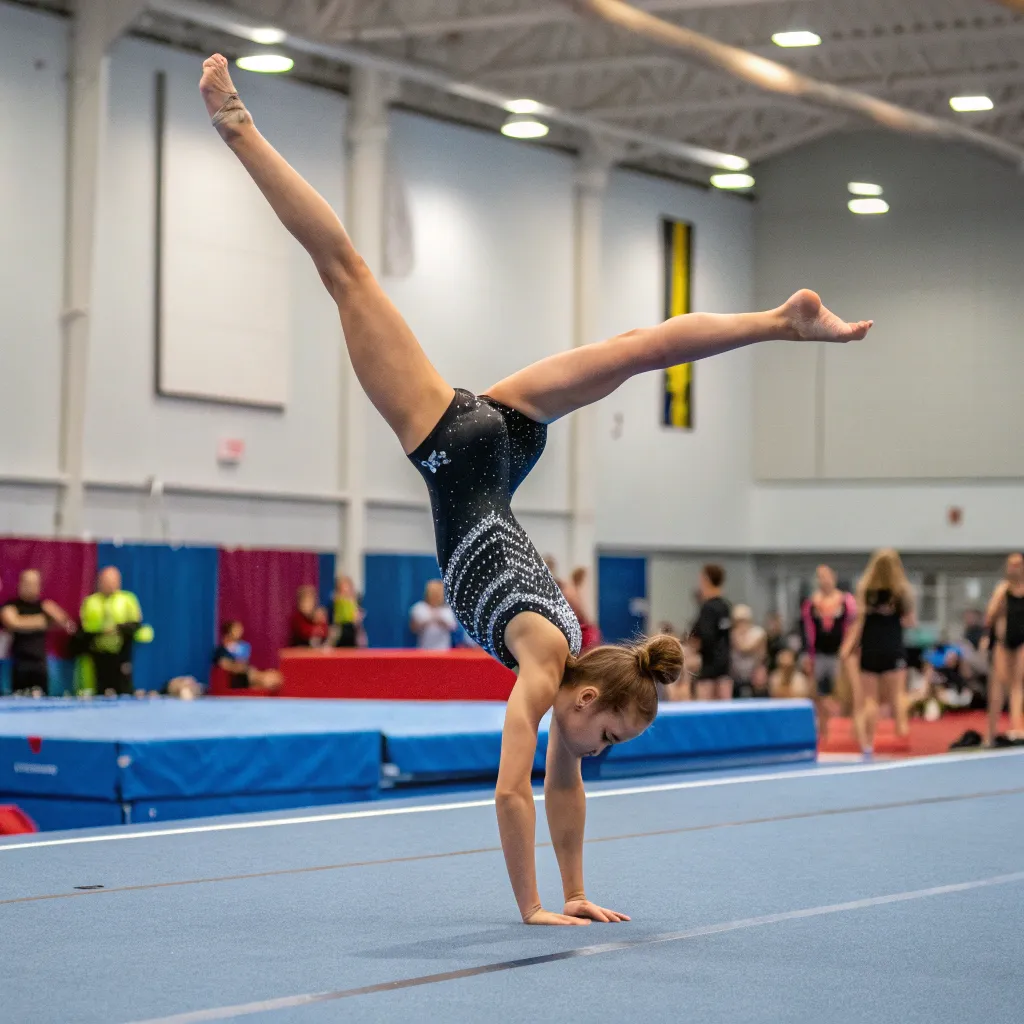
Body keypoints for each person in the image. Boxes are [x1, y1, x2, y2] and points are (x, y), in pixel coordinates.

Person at [198, 53, 870, 925]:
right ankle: (235, 121)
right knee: (347, 272)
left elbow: (559, 785)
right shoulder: (548, 662)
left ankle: (781, 322)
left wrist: (579, 892)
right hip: (459, 452)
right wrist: (533, 908)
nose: (601, 753)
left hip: (504, 453)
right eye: (610, 738)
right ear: (587, 701)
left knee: (636, 348)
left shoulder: (570, 661)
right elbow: (512, 789)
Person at [840, 549, 916, 758]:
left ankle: (867, 744)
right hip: (893, 646)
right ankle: (902, 736)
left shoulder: (866, 590)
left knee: (870, 700)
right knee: (898, 695)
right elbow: (910, 621)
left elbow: (860, 620)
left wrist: (851, 645)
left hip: (871, 646)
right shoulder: (900, 593)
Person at [801, 565, 858, 742]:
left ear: (833, 577)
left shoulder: (845, 601)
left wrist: (849, 650)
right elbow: (808, 631)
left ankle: (847, 730)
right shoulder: (811, 603)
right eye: (820, 577)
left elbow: (853, 626)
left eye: (826, 576)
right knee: (818, 693)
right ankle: (823, 730)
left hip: (839, 655)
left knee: (843, 693)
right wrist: (809, 656)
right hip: (819, 654)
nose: (824, 580)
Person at [0, 570, 75, 695]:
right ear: (20, 584)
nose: (30, 587)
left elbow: (67, 624)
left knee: (41, 697)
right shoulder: (11, 605)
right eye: (27, 583)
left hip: (40, 664)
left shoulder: (45, 606)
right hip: (18, 663)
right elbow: (13, 623)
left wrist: (50, 611)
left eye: (34, 584)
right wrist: (43, 622)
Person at [78, 567, 149, 696]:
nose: (109, 584)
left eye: (113, 581)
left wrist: (117, 628)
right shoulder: (90, 601)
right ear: (99, 582)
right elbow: (85, 626)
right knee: (101, 688)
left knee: (123, 687)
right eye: (106, 581)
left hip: (122, 652)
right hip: (99, 652)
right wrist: (101, 630)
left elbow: (136, 623)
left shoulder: (128, 599)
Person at [984, 553, 1024, 745]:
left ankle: (1016, 727)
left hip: (1021, 644)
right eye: (1011, 565)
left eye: (1018, 565)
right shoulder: (1002, 590)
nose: (1015, 569)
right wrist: (999, 601)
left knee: (1017, 685)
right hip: (1003, 642)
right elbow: (990, 617)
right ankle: (991, 732)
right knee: (998, 687)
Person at [692, 564, 733, 700]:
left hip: (709, 668)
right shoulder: (725, 606)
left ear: (706, 580)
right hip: (724, 666)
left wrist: (695, 647)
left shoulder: (708, 608)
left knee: (705, 710)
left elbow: (706, 638)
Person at [212, 620, 283, 691]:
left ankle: (266, 681)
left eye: (240, 628)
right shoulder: (222, 650)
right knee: (265, 678)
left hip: (247, 672)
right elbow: (223, 664)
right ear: (229, 631)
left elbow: (244, 662)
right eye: (236, 629)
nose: (240, 630)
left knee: (272, 675)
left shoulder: (243, 646)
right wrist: (236, 667)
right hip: (236, 676)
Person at [730, 605, 767, 698]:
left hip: (755, 671)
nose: (741, 624)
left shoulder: (758, 632)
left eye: (743, 620)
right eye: (738, 621)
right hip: (737, 674)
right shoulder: (733, 633)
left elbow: (745, 648)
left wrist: (738, 635)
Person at [410, 580, 458, 651]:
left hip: (444, 651)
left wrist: (440, 620)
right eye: (433, 592)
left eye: (438, 593)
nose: (436, 595)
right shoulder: (419, 608)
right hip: (423, 650)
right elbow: (413, 629)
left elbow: (453, 628)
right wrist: (427, 620)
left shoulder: (447, 610)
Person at [331, 575, 364, 648]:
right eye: (342, 590)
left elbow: (358, 618)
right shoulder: (336, 601)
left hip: (352, 630)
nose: (345, 592)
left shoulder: (355, 601)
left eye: (347, 589)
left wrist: (358, 616)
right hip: (340, 629)